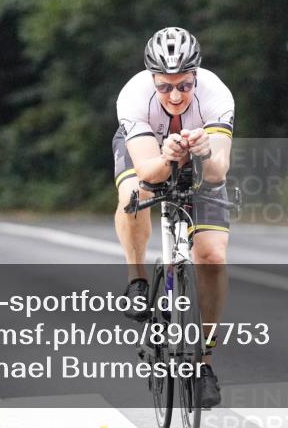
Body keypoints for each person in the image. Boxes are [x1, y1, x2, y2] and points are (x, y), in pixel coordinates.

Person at [113, 27, 235, 408]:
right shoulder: (134, 97)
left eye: (184, 84)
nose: (176, 95)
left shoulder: (216, 96)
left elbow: (217, 173)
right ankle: (137, 278)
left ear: (196, 75)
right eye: (165, 87)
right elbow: (149, 174)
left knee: (212, 257)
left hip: (201, 163)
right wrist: (166, 157)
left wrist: (202, 152)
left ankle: (205, 362)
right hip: (151, 154)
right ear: (152, 80)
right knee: (134, 194)